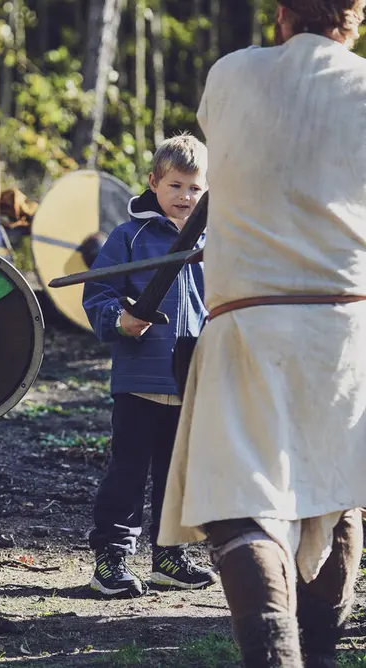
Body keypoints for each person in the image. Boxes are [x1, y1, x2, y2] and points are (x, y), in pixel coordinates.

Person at [158, 2, 366, 665]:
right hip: (341, 328)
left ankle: (277, 655)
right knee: (333, 492)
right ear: (355, 18)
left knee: (237, 503)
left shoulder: (230, 74)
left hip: (246, 322)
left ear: (281, 13)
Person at [82, 134, 218, 598]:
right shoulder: (130, 237)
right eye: (175, 185)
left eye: (195, 188)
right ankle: (112, 558)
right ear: (154, 182)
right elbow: (98, 295)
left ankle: (169, 556)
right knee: (128, 471)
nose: (185, 197)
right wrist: (119, 320)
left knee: (177, 475)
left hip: (191, 378)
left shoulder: (214, 241)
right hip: (140, 379)